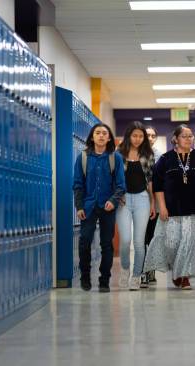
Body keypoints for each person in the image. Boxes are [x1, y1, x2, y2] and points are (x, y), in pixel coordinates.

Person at [143, 124, 195, 290]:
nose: (189, 139)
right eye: (185, 136)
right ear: (176, 139)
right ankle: (176, 270)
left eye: (191, 136)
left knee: (189, 243)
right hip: (172, 210)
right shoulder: (165, 159)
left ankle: (184, 276)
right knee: (172, 244)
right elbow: (158, 186)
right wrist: (162, 207)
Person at [73, 123, 126, 292]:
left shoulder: (114, 158)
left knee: (106, 244)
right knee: (84, 242)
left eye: (104, 133)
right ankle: (85, 277)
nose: (101, 136)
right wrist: (79, 206)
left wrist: (113, 200)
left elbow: (120, 185)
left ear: (109, 137)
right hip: (88, 206)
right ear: (92, 137)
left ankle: (104, 280)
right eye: (98, 133)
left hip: (107, 207)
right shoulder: (82, 157)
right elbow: (77, 184)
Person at [116, 122, 156, 291]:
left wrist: (153, 203)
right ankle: (125, 270)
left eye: (141, 136)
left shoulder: (148, 154)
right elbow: (114, 178)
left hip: (142, 200)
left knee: (139, 242)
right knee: (125, 240)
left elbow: (151, 181)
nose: (138, 139)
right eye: (135, 136)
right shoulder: (119, 153)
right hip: (123, 200)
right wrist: (117, 195)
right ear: (128, 136)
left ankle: (136, 276)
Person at [142, 126, 163, 286]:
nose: (150, 138)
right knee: (140, 239)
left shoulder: (160, 156)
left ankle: (151, 270)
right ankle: (142, 271)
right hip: (138, 201)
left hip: (154, 203)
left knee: (151, 237)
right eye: (147, 135)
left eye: (153, 135)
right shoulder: (134, 153)